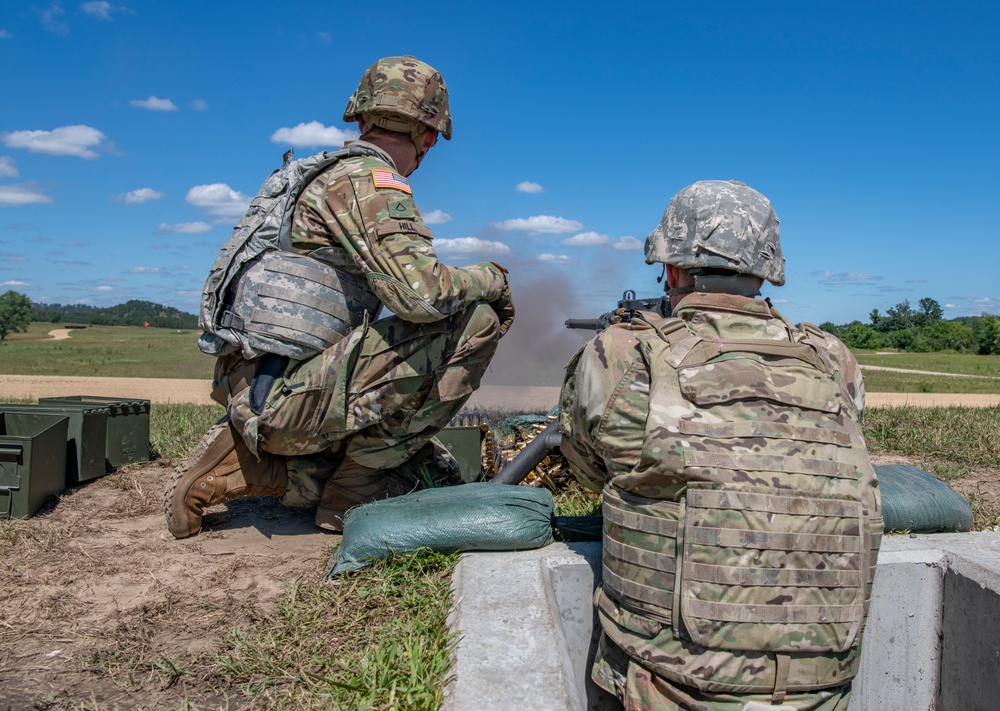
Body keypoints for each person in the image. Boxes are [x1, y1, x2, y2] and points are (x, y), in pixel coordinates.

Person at [559, 180, 882, 711]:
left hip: (669, 684)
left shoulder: (622, 354)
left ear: (672, 269)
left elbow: (589, 471)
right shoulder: (832, 358)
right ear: (765, 269)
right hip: (821, 690)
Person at [165, 56, 514, 539]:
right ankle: (354, 486)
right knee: (475, 319)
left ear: (362, 115)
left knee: (429, 467)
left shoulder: (320, 175)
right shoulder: (368, 181)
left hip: (258, 388)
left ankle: (254, 468)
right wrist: (491, 280)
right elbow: (424, 296)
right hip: (282, 399)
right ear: (429, 135)